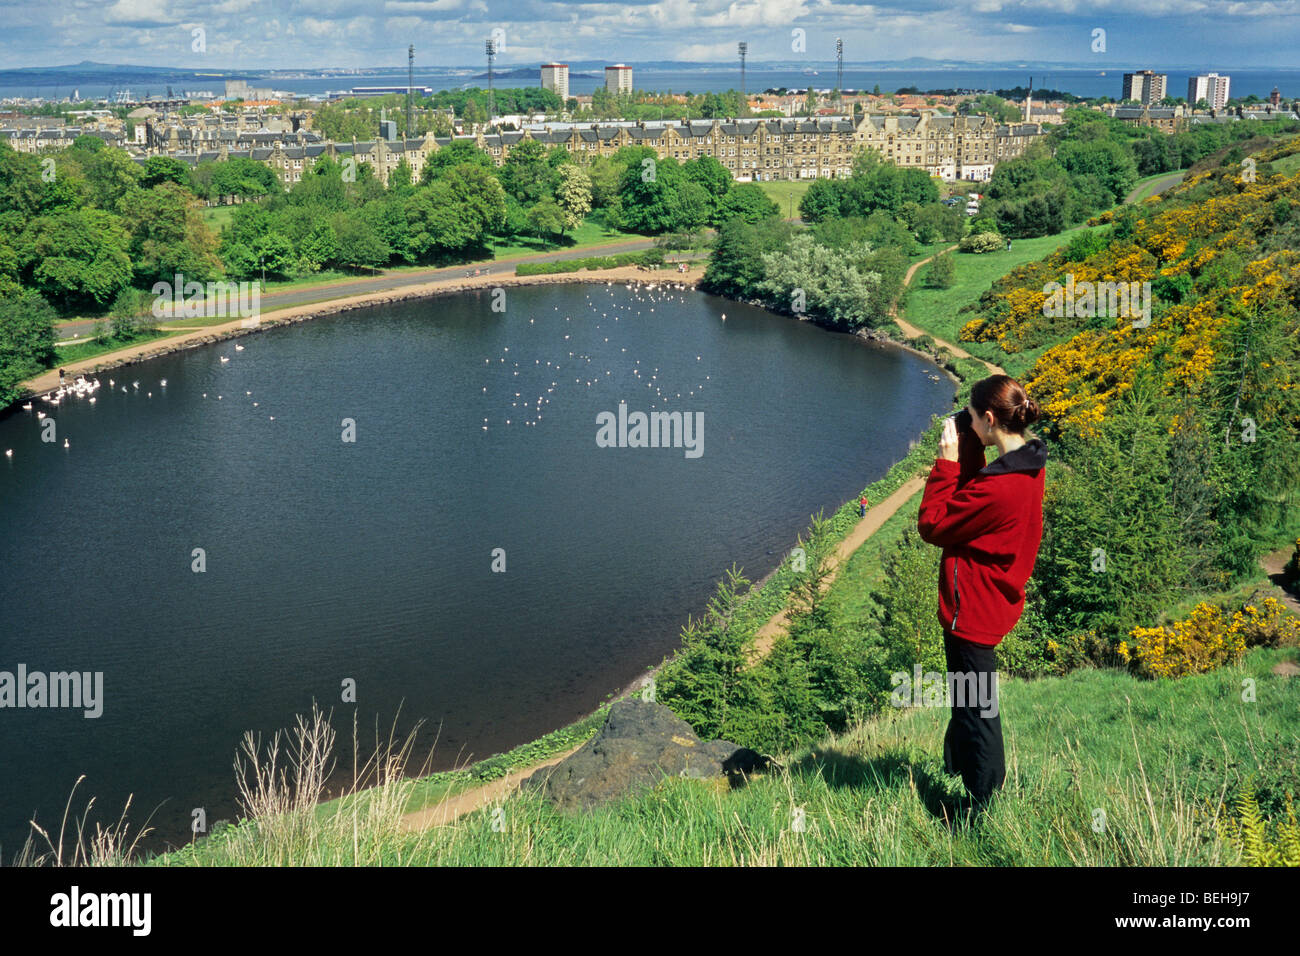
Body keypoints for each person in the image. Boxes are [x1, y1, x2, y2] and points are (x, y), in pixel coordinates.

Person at [916, 374, 1046, 817]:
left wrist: (948, 462)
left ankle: (981, 807)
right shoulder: (1027, 463)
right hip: (992, 601)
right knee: (969, 701)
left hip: (972, 613)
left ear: (989, 419)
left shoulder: (1000, 487)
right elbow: (974, 500)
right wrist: (973, 440)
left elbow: (934, 524)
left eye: (973, 417)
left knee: (977, 710)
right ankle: (962, 768)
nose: (967, 423)